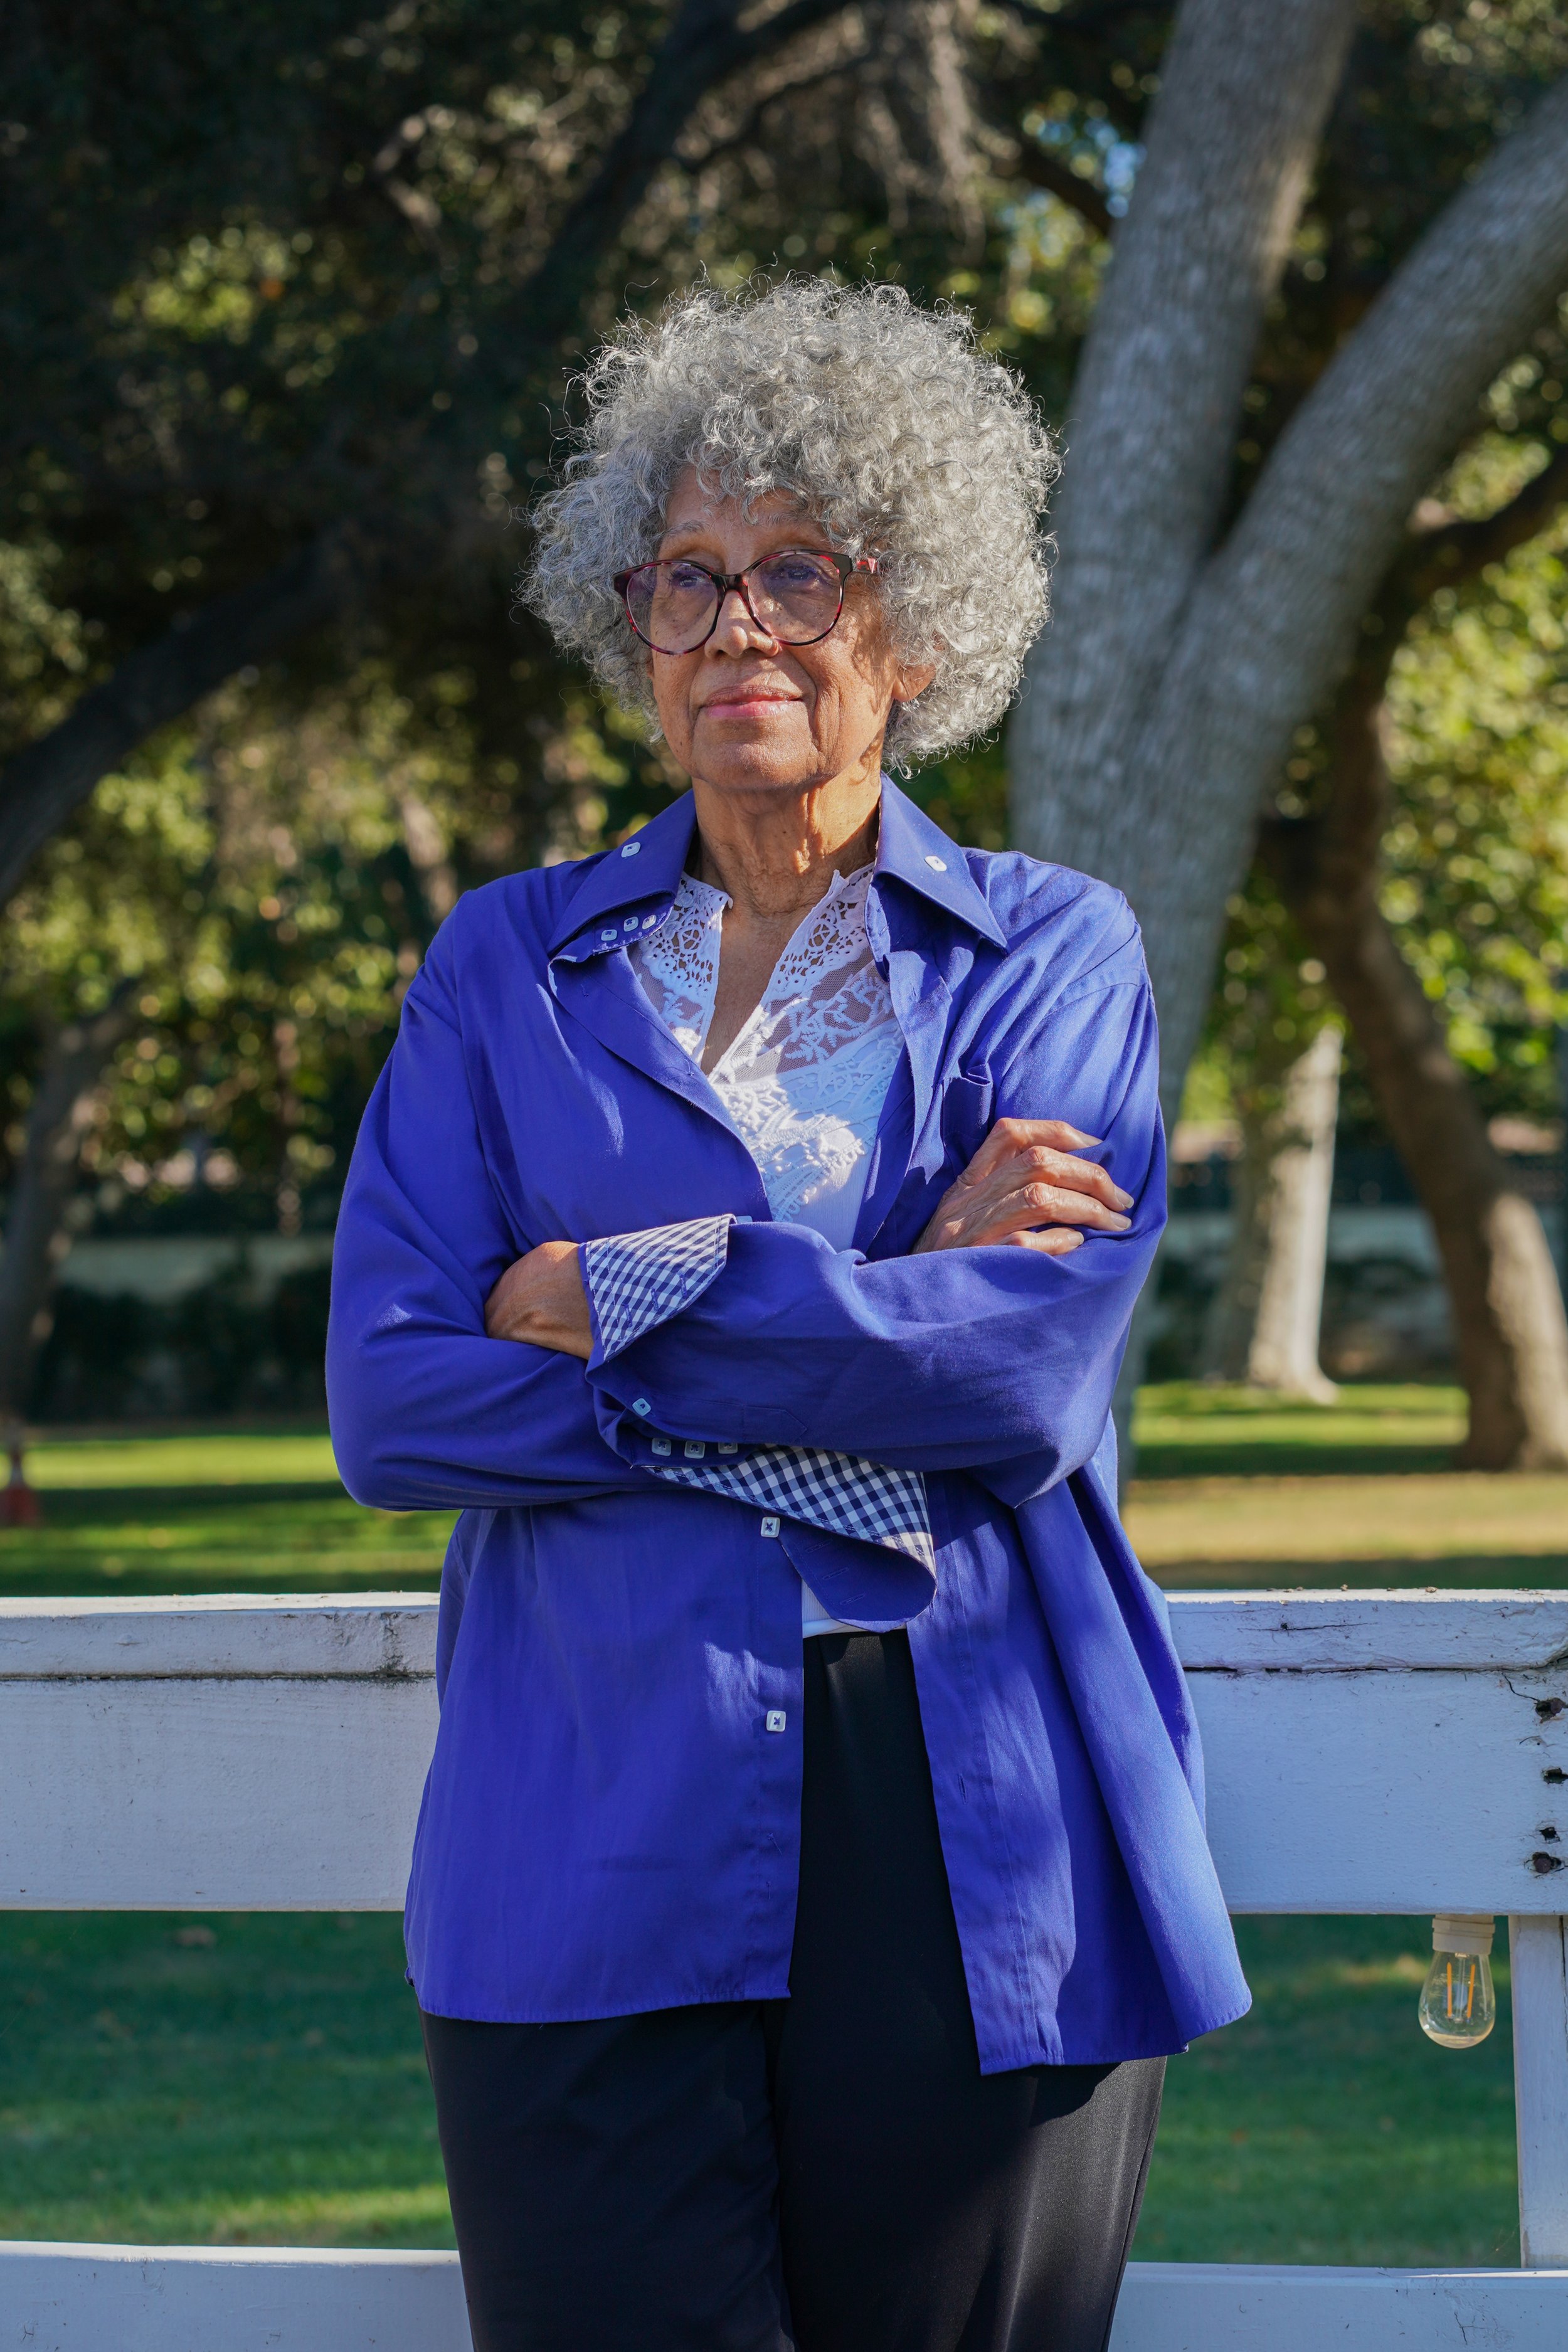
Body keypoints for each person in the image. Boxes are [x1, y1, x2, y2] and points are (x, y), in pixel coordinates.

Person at [327, 278, 1249, 2352]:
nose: (739, 628)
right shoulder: (502, 970)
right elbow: (392, 1406)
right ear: (629, 632)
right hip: (578, 1808)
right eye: (688, 582)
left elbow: (1012, 1382)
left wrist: (602, 1297)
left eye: (800, 575)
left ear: (911, 633)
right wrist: (881, 1294)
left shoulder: (1046, 955)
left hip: (974, 1825)